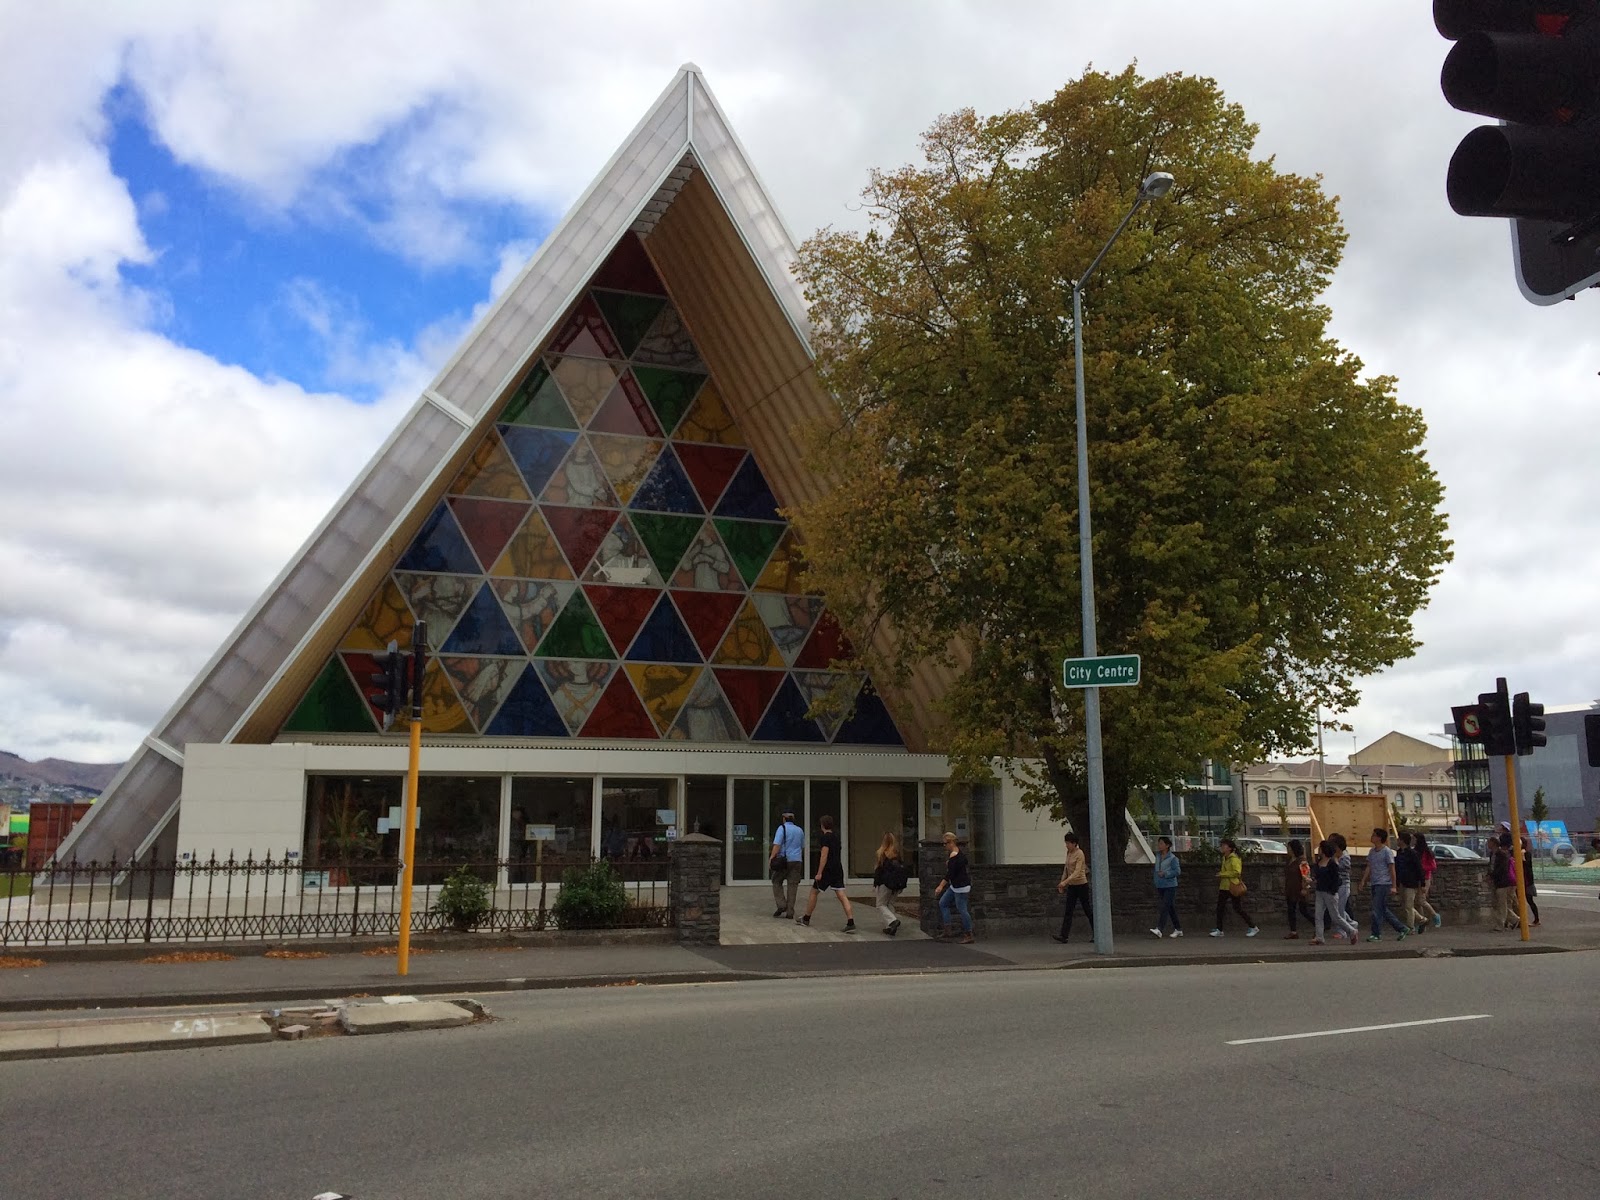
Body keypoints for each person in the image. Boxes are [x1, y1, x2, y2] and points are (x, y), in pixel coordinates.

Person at [799, 814, 854, 931]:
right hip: (837, 869)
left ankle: (806, 918)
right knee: (841, 895)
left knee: (814, 892)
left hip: (827, 870)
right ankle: (850, 921)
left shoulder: (825, 838)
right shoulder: (836, 837)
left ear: (822, 825)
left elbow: (824, 855)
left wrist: (819, 872)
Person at [1361, 827, 1409, 942]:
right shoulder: (1372, 851)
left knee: (1376, 909)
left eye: (1374, 835)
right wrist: (1364, 880)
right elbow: (1369, 867)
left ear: (1379, 838)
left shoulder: (1387, 851)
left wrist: (1393, 885)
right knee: (1382, 909)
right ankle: (1401, 928)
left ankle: (1376, 933)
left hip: (1383, 883)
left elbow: (1392, 869)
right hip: (1374, 882)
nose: (1371, 837)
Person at [1310, 839, 1360, 946]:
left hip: (1329, 892)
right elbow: (1317, 877)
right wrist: (1312, 881)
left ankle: (1351, 930)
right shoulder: (1319, 863)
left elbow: (1335, 879)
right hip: (1320, 891)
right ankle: (1319, 937)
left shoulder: (1332, 864)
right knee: (1318, 915)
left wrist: (1333, 891)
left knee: (1335, 916)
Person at [1210, 838, 1258, 937]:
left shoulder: (1234, 859)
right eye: (1222, 845)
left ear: (1230, 848)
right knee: (1220, 908)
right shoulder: (1225, 858)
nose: (1222, 847)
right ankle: (1219, 929)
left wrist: (1223, 874)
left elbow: (1237, 872)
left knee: (1237, 907)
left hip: (1232, 886)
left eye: (1224, 846)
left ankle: (1253, 926)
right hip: (1224, 886)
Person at [932, 831, 974, 944]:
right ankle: (948, 930)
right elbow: (964, 862)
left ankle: (968, 934)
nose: (944, 846)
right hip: (955, 885)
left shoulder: (955, 856)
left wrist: (940, 886)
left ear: (951, 842)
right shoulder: (957, 854)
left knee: (962, 909)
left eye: (945, 843)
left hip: (960, 887)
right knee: (943, 903)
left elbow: (950, 874)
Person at [1053, 832, 1093, 943]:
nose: (1066, 845)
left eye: (1068, 843)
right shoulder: (1068, 853)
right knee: (1068, 910)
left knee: (1087, 909)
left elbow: (1077, 872)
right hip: (1072, 886)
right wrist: (1062, 882)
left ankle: (1097, 932)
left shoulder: (1080, 854)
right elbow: (1066, 869)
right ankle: (1063, 935)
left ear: (1074, 843)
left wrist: (1065, 882)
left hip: (1081, 885)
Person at [769, 809, 804, 919]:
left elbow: (777, 845)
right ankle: (790, 912)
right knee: (793, 885)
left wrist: (772, 858)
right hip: (797, 860)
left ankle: (781, 904)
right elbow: (802, 846)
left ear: (784, 819)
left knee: (776, 881)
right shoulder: (799, 830)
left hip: (784, 861)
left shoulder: (782, 828)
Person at [871, 832, 908, 936]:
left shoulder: (881, 853)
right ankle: (890, 927)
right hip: (896, 883)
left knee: (880, 904)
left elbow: (878, 871)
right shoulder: (897, 854)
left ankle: (892, 921)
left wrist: (875, 884)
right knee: (890, 904)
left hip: (885, 883)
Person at [1395, 831, 1429, 936]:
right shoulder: (1399, 852)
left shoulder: (1413, 854)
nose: (1397, 840)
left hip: (1411, 882)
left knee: (1408, 906)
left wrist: (1422, 883)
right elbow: (1397, 868)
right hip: (1402, 882)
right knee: (1406, 905)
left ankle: (1411, 928)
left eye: (1399, 839)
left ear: (1402, 840)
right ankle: (1422, 919)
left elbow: (1419, 869)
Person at [1150, 836, 1183, 938]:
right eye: (1159, 843)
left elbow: (1177, 871)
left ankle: (1159, 929)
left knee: (1165, 906)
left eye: (1161, 843)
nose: (1159, 845)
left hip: (1170, 885)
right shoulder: (1158, 856)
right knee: (1170, 907)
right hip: (1160, 885)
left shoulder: (1173, 858)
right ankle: (1178, 929)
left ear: (1167, 845)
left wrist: (1165, 873)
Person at [1283, 839, 1315, 939]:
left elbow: (1306, 876)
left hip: (1299, 888)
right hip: (1291, 888)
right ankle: (1293, 931)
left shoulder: (1302, 861)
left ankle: (1318, 926)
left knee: (1304, 910)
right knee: (1291, 910)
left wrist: (1305, 888)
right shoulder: (1290, 861)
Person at [1413, 832, 1442, 931]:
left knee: (1421, 900)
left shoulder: (1427, 852)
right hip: (1416, 877)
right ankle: (1422, 921)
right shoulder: (1415, 851)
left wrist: (1421, 867)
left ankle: (1435, 915)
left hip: (1425, 878)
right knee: (1417, 902)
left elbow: (1433, 866)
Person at [1489, 832, 1515, 930]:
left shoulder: (1502, 855)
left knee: (1502, 904)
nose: (1488, 845)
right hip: (1496, 882)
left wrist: (1493, 874)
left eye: (1489, 842)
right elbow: (1491, 865)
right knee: (1498, 903)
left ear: (1494, 843)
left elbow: (1502, 869)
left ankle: (1501, 924)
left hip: (1502, 883)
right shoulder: (1492, 854)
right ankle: (1515, 919)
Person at [1516, 834, 1541, 927]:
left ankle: (1536, 919)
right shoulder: (1518, 853)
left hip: (1527, 881)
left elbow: (1526, 866)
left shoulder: (1526, 853)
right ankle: (1520, 920)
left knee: (1529, 900)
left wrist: (1522, 857)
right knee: (1519, 901)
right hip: (1521, 880)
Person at [1332, 832, 1354, 932]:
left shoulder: (1345, 857)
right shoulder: (1334, 856)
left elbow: (1342, 868)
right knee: (1337, 908)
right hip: (1336, 885)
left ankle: (1342, 931)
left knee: (1339, 910)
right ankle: (1351, 923)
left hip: (1344, 885)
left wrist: (1336, 860)